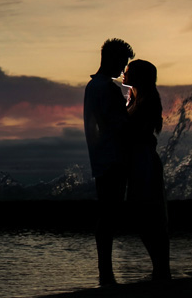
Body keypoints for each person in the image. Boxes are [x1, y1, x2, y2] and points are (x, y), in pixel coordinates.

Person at [83, 38, 135, 286]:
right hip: (113, 157)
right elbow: (119, 125)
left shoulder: (92, 86)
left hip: (101, 156)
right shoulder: (108, 88)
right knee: (110, 215)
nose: (123, 69)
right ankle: (106, 272)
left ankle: (105, 270)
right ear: (112, 59)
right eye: (122, 63)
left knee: (107, 214)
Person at [125, 59, 171, 281]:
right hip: (138, 161)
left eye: (129, 70)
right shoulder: (134, 98)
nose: (124, 73)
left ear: (140, 76)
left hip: (144, 161)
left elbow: (136, 134)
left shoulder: (148, 101)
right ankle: (160, 268)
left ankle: (161, 268)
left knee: (149, 214)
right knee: (144, 214)